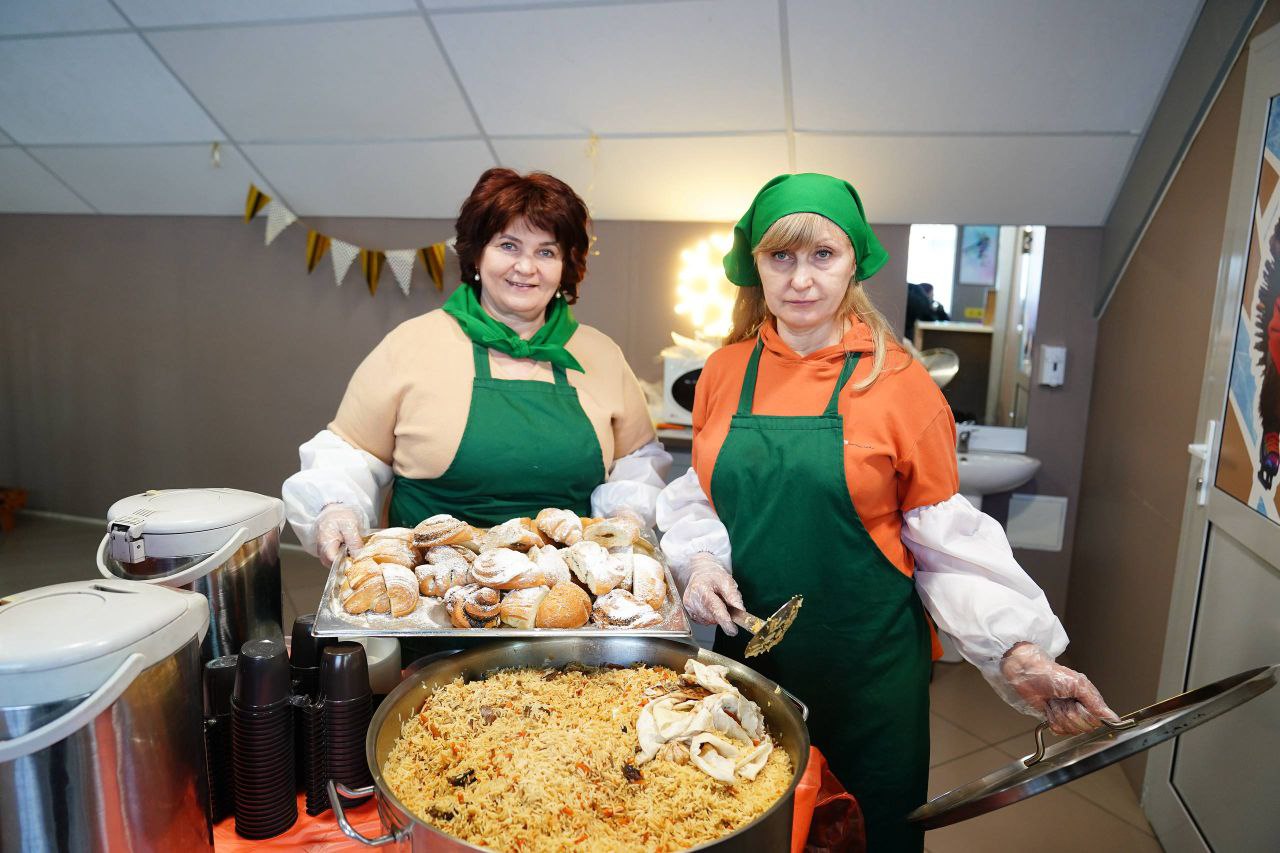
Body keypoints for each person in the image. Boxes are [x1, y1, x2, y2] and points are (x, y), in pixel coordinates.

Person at [656, 173, 1116, 852]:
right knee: (751, 829)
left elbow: (946, 544)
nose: (802, 279)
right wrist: (699, 559)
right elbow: (703, 495)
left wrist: (1017, 649)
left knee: (870, 834)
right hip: (751, 670)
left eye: (823, 256)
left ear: (855, 262)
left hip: (870, 675)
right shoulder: (723, 373)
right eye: (780, 256)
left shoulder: (898, 382)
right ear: (755, 263)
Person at [283, 167, 669, 568]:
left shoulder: (601, 354)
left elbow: (636, 460)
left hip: (565, 591)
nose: (526, 267)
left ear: (566, 265)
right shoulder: (411, 344)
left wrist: (629, 514)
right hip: (430, 591)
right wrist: (334, 507)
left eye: (546, 251)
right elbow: (352, 453)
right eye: (508, 245)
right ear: (477, 254)